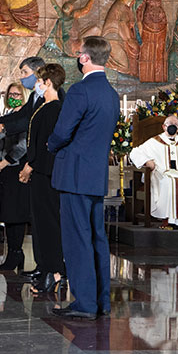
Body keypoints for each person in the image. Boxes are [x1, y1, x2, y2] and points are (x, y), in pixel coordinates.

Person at [48, 36, 120, 319]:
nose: (78, 58)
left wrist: (50, 145)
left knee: (77, 240)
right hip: (95, 176)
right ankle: (101, 301)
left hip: (74, 174)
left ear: (85, 58)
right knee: (97, 239)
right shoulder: (111, 94)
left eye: (79, 54)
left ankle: (85, 304)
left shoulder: (80, 91)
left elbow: (63, 132)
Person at [0, 56, 45, 273]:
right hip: (8, 169)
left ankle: (43, 264)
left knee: (24, 214)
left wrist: (5, 160)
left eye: (25, 73)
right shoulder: (23, 107)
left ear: (38, 73)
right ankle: (15, 252)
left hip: (23, 166)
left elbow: (25, 133)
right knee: (10, 214)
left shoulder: (43, 99)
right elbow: (5, 130)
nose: (22, 77)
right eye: (11, 94)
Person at [18, 62, 67, 296]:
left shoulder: (54, 109)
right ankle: (48, 269)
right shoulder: (45, 107)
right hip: (40, 172)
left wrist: (31, 165)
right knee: (41, 224)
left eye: (39, 80)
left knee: (49, 225)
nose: (36, 84)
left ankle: (54, 271)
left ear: (48, 82)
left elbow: (46, 146)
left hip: (46, 174)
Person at [128, 114, 178, 229]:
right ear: (163, 127)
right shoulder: (154, 142)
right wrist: (147, 161)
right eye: (169, 125)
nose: (172, 127)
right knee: (168, 182)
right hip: (162, 173)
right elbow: (135, 153)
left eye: (175, 125)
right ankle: (169, 220)